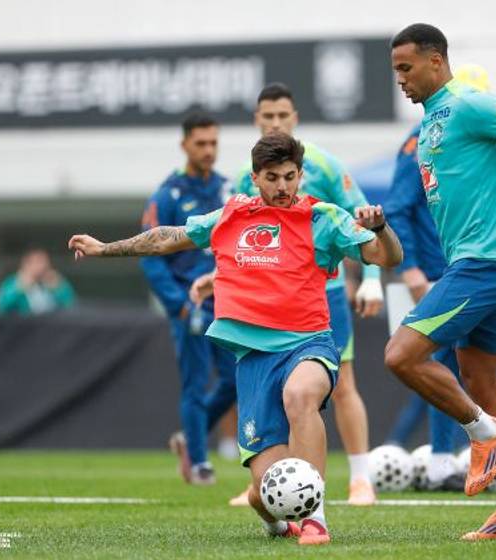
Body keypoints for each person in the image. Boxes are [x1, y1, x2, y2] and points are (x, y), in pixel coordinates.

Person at [69, 133, 403, 546]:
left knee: (301, 395)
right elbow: (169, 237)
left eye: (290, 176)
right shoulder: (232, 215)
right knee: (264, 492)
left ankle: (315, 518)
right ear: (255, 177)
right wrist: (105, 248)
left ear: (300, 175)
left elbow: (389, 257)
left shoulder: (324, 218)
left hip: (308, 343)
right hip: (254, 361)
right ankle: (276, 520)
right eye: (272, 178)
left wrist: (381, 229)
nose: (282, 186)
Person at [386, 24, 496, 540]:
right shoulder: (429, 124)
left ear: (436, 61)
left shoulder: (470, 105)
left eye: (406, 68)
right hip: (487, 264)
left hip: (482, 266)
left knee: (401, 355)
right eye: (395, 70)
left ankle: (482, 432)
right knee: (482, 379)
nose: (400, 79)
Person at [230, 83, 382, 506]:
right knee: (274, 393)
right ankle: (272, 482)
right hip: (268, 306)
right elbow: (233, 238)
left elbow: (362, 218)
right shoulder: (245, 176)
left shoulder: (324, 165)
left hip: (323, 294)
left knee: (342, 384)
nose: (275, 122)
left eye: (283, 115)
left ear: (294, 118)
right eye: (268, 116)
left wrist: (371, 279)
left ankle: (361, 478)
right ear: (257, 120)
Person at [140, 113, 238, 485]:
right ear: (184, 145)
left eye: (213, 142)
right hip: (189, 303)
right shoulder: (168, 194)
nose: (208, 150)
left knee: (234, 380)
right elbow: (151, 256)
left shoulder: (228, 189)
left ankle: (188, 437)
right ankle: (198, 462)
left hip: (227, 302)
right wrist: (177, 304)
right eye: (200, 143)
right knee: (195, 384)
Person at [0, 248, 75, 315]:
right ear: (26, 264)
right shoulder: (13, 283)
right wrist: (19, 289)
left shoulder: (54, 281)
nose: (42, 266)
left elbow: (71, 305)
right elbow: (2, 308)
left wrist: (59, 288)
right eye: (37, 262)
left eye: (44, 262)